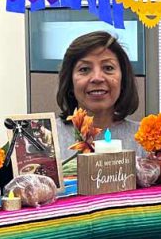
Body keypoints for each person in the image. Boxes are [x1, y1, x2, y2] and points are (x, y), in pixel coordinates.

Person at [55, 31, 142, 161]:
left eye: (108, 68)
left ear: (123, 80)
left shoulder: (145, 139)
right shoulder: (47, 139)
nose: (97, 78)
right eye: (84, 69)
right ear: (70, 82)